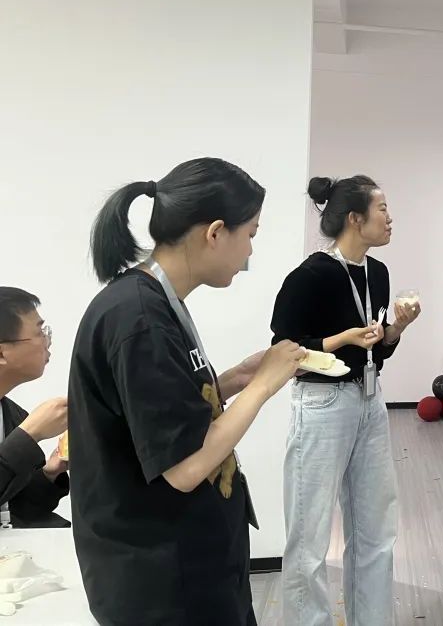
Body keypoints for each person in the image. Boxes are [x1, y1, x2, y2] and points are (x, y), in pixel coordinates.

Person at [68, 158, 303, 626]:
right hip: (162, 581)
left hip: (188, 561)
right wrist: (262, 386)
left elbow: (168, 408)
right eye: (250, 234)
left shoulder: (152, 301)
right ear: (215, 232)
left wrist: (235, 377)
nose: (249, 253)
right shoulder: (139, 318)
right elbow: (185, 466)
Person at [271, 175, 420, 626]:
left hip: (369, 401)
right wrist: (342, 339)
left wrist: (396, 328)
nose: (390, 218)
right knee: (309, 539)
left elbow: (376, 352)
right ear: (355, 218)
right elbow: (284, 351)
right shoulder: (311, 275)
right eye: (382, 209)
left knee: (376, 531)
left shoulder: (378, 273)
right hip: (322, 405)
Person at [0, 287, 69, 528]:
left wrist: (50, 472)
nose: (47, 341)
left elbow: (17, 508)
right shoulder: (24, 426)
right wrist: (29, 435)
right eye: (40, 332)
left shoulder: (12, 415)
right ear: (2, 353)